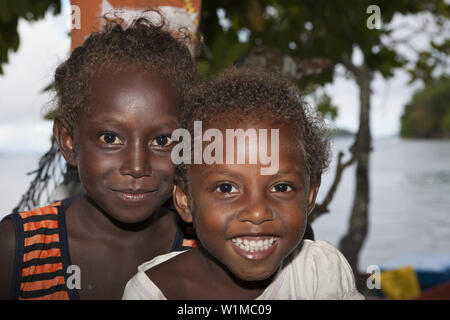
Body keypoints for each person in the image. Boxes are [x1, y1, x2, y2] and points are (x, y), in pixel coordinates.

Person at [122, 67, 365, 300]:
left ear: (310, 195)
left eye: (281, 187)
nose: (258, 212)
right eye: (226, 188)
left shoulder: (320, 274)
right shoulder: (151, 294)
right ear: (185, 201)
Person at [0, 14, 197, 300]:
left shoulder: (208, 253)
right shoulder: (18, 248)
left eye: (162, 140)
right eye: (110, 138)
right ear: (68, 142)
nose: (137, 167)